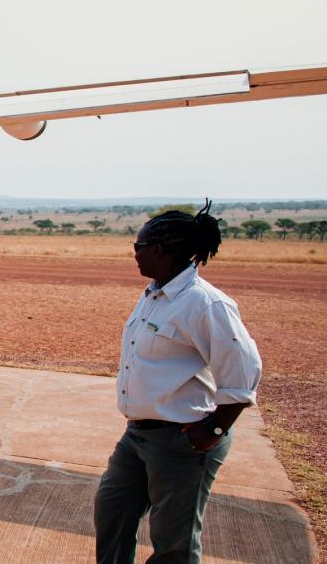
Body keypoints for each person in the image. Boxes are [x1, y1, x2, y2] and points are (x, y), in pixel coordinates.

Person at [94, 201, 262, 563]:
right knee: (112, 512)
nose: (134, 254)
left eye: (138, 246)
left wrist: (213, 430)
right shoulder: (154, 295)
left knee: (174, 541)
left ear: (159, 249)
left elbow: (243, 371)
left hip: (181, 439)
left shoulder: (205, 303)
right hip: (137, 435)